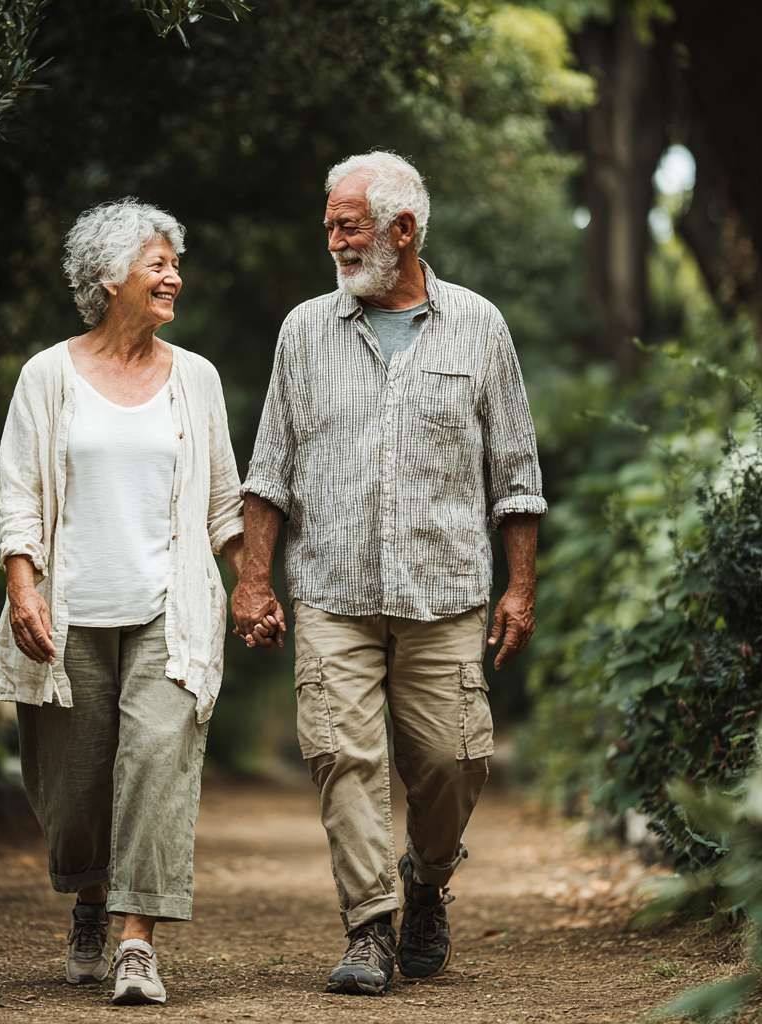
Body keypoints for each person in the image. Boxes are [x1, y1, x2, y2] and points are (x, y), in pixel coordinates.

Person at [232, 152, 547, 996]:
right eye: (330, 223)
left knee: (452, 760)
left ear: (403, 231)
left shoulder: (480, 326)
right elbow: (270, 471)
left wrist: (519, 589)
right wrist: (253, 581)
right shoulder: (304, 330)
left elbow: (516, 476)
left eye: (348, 224)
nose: (331, 239)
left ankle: (428, 879)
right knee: (343, 755)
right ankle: (369, 926)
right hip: (333, 590)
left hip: (444, 593)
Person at [0, 199, 263, 1006]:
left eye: (176, 264)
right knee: (74, 791)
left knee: (157, 764)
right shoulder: (47, 375)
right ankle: (87, 900)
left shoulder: (197, 379)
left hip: (167, 614)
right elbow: (19, 494)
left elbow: (224, 504)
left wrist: (252, 585)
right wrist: (21, 584)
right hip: (69, 616)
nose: (174, 276)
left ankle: (136, 941)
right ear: (110, 279)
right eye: (159, 264)